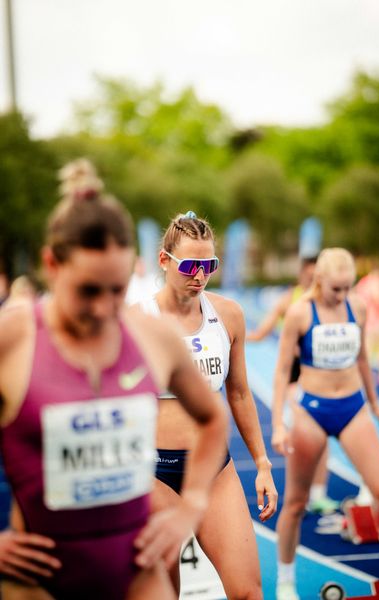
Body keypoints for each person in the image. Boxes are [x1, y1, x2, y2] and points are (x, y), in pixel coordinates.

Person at [0, 160, 228, 600]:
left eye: (118, 290)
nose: (106, 309)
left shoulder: (151, 336)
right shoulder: (13, 340)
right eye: (88, 290)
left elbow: (212, 418)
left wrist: (192, 508)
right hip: (39, 582)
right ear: (51, 264)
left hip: (134, 575)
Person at [134, 211, 278, 599]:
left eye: (209, 265)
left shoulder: (228, 314)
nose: (199, 275)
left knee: (249, 592)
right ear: (164, 261)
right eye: (190, 265)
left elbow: (241, 393)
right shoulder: (137, 321)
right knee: (164, 593)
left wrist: (262, 463)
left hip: (214, 469)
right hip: (153, 472)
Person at [271, 248, 379, 600]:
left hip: (353, 407)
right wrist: (279, 424)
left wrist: (375, 405)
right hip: (311, 410)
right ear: (319, 280)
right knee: (296, 504)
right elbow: (282, 371)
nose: (342, 295)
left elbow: (361, 358)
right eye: (336, 289)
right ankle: (284, 581)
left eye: (347, 287)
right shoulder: (300, 313)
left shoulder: (355, 307)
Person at [248, 258, 338, 515]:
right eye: (308, 275)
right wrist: (238, 336)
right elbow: (262, 331)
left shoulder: (327, 300)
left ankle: (318, 494)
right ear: (301, 276)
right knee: (303, 430)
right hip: (295, 372)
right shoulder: (289, 300)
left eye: (316, 276)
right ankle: (299, 491)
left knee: (322, 436)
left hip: (320, 372)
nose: (312, 281)